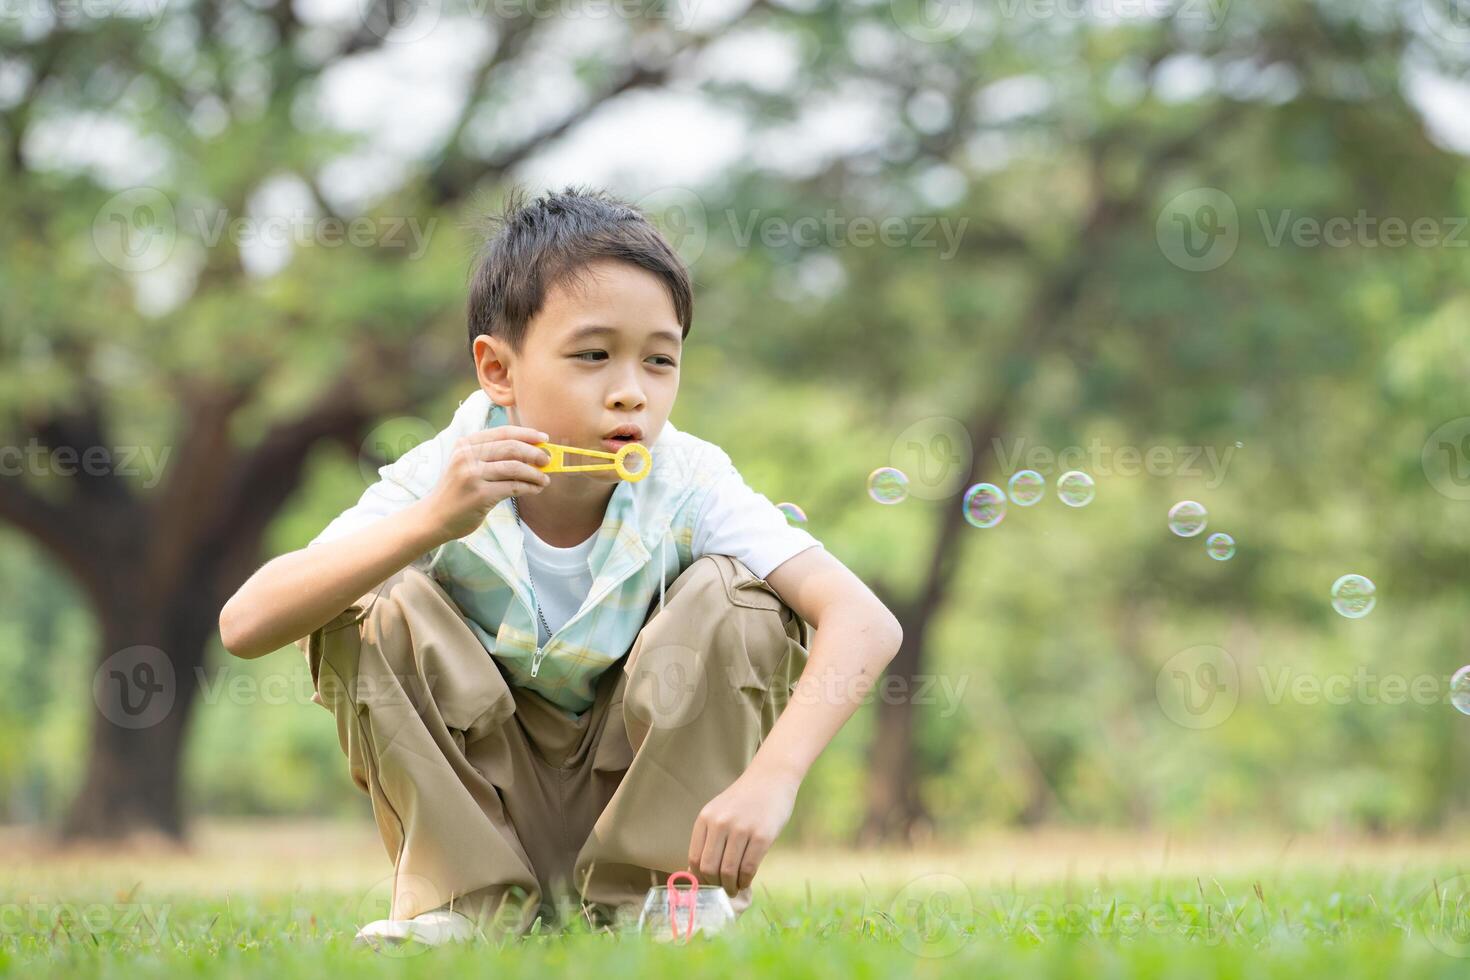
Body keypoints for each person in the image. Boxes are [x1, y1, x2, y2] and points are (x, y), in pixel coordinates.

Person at [218, 186, 903, 946]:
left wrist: (773, 781)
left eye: (660, 361)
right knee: (379, 602)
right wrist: (431, 522)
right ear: (497, 370)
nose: (630, 393)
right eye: (592, 355)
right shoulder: (442, 474)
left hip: (645, 806)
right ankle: (462, 906)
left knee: (737, 598)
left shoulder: (693, 480)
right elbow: (245, 624)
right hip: (489, 810)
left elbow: (863, 620)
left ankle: (665, 897)